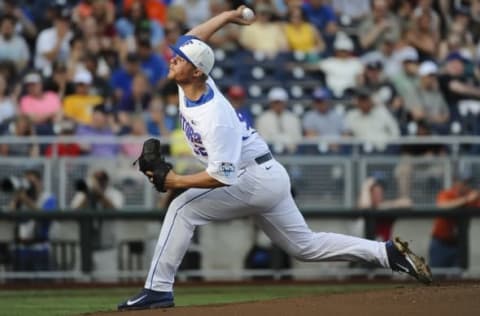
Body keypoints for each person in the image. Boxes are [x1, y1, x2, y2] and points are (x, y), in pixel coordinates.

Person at [118, 6, 432, 311]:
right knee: (305, 247)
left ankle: (158, 289)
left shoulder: (214, 117)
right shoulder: (197, 81)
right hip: (267, 174)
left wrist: (176, 181)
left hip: (248, 177)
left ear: (196, 70)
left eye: (181, 59)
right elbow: (194, 37)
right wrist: (227, 17)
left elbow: (222, 177)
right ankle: (387, 253)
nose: (173, 58)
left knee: (182, 208)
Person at [429, 172, 480, 268]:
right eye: (464, 182)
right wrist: (466, 200)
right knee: (436, 277)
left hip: (458, 244)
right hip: (441, 243)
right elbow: (442, 206)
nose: (467, 185)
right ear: (456, 183)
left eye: (468, 183)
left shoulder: (472, 197)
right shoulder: (447, 194)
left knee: (457, 278)